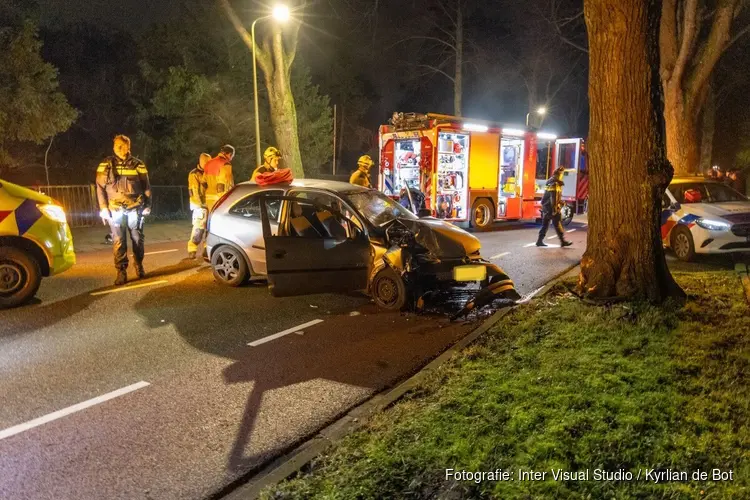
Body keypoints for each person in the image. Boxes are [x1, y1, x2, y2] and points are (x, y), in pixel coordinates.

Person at [96, 135, 152, 285]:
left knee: (137, 239)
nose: (121, 149)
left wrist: (148, 205)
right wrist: (103, 208)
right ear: (114, 147)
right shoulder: (105, 165)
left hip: (135, 208)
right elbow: (100, 188)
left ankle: (139, 265)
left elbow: (146, 187)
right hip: (115, 209)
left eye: (123, 146)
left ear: (129, 147)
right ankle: (121, 272)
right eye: (118, 146)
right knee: (119, 240)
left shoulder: (138, 164)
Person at [536, 165, 572, 247]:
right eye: (562, 174)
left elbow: (552, 197)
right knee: (557, 224)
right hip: (551, 208)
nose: (562, 176)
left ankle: (539, 241)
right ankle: (562, 241)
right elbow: (553, 198)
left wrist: (561, 202)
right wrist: (554, 210)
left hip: (546, 207)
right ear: (559, 175)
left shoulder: (551, 182)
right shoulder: (555, 184)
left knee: (545, 225)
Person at [187, 153, 212, 259]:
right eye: (207, 162)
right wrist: (201, 205)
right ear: (202, 162)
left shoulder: (210, 173)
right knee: (199, 228)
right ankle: (192, 248)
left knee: (209, 229)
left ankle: (207, 249)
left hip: (210, 204)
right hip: (199, 206)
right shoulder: (194, 174)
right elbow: (195, 191)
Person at [204, 145, 235, 211]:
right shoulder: (226, 164)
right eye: (232, 156)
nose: (231, 159)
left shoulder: (208, 163)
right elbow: (226, 183)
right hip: (219, 198)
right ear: (230, 154)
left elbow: (203, 181)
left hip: (208, 198)